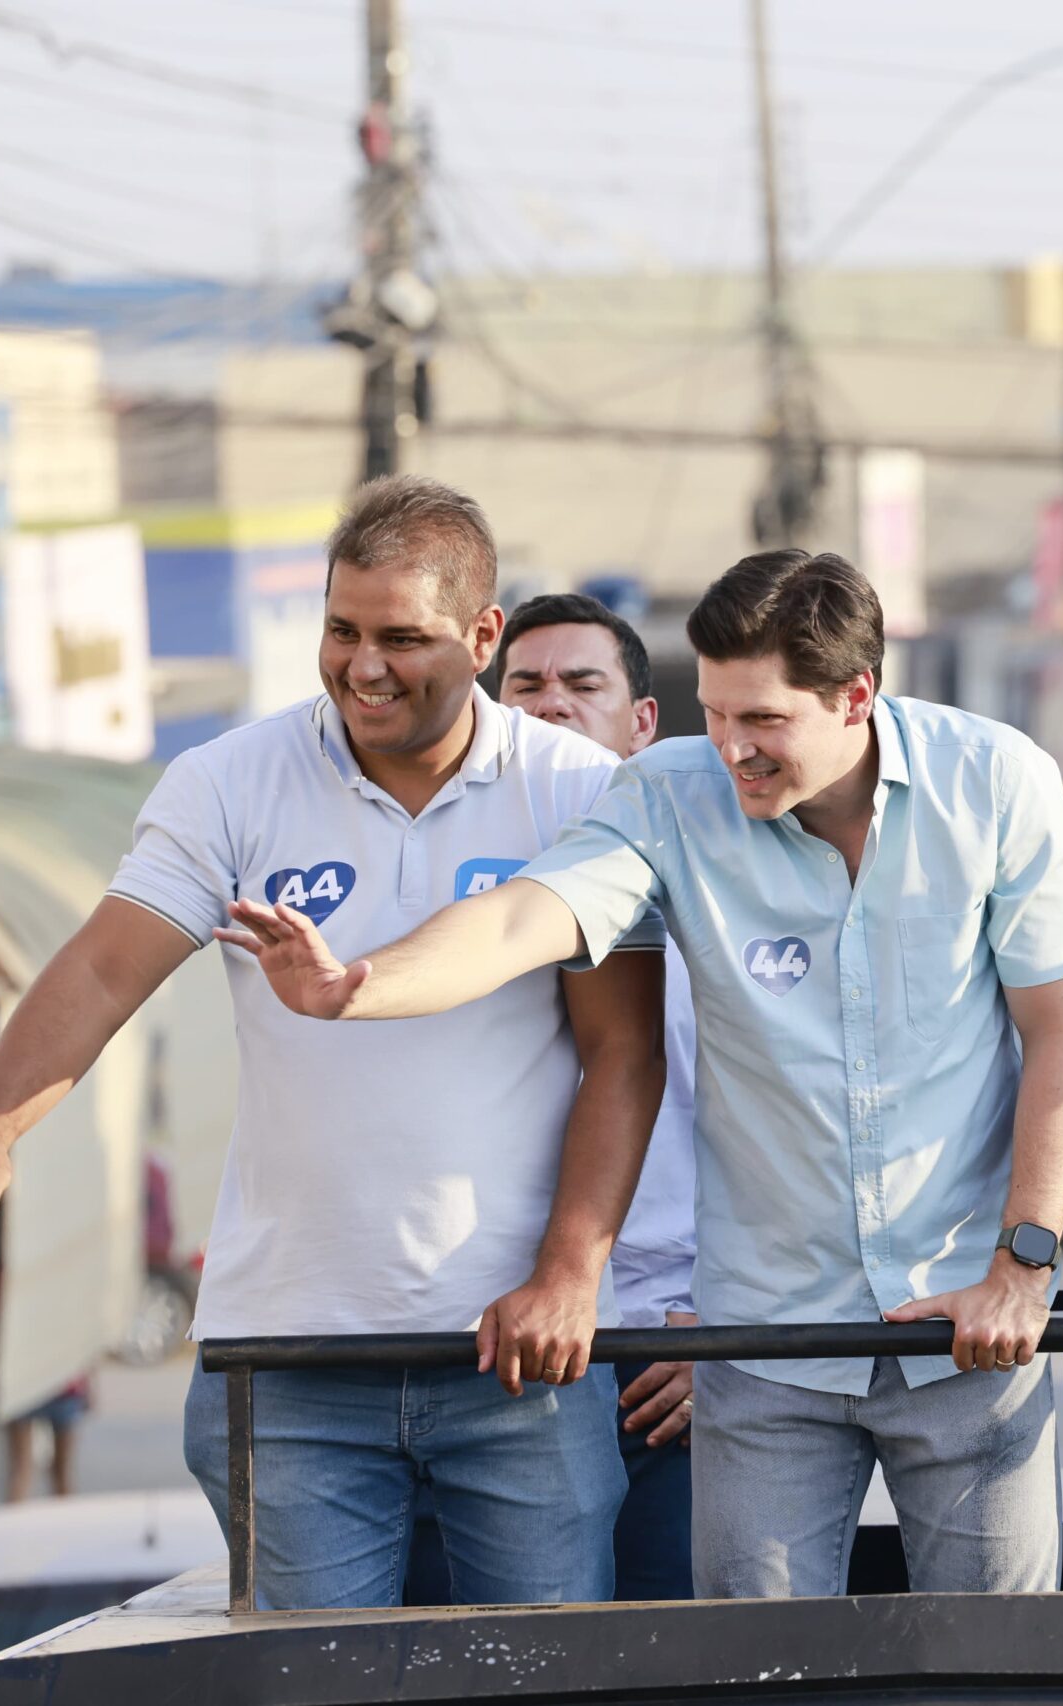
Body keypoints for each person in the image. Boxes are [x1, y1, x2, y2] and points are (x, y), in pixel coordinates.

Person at [222, 549, 1063, 1600]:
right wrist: (358, 983)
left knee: (997, 1671)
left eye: (764, 721)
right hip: (768, 1344)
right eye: (716, 712)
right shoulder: (670, 793)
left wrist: (1023, 1265)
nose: (732, 747)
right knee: (756, 1680)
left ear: (856, 695)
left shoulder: (995, 777)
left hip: (970, 1327)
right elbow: (520, 915)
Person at [0, 475, 667, 1610]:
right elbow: (107, 963)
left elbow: (625, 1055)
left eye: (402, 637)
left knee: (542, 1685)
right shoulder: (227, 780)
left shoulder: (585, 790)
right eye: (340, 629)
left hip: (515, 1363)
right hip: (289, 1362)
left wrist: (567, 1275)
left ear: (483, 633)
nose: (363, 666)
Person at [496, 592, 699, 1602]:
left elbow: (794, 1131)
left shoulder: (707, 898)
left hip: (671, 1359)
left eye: (584, 685)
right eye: (524, 686)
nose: (552, 707)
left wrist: (726, 1326)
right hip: (507, 1353)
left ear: (642, 722)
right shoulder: (471, 905)